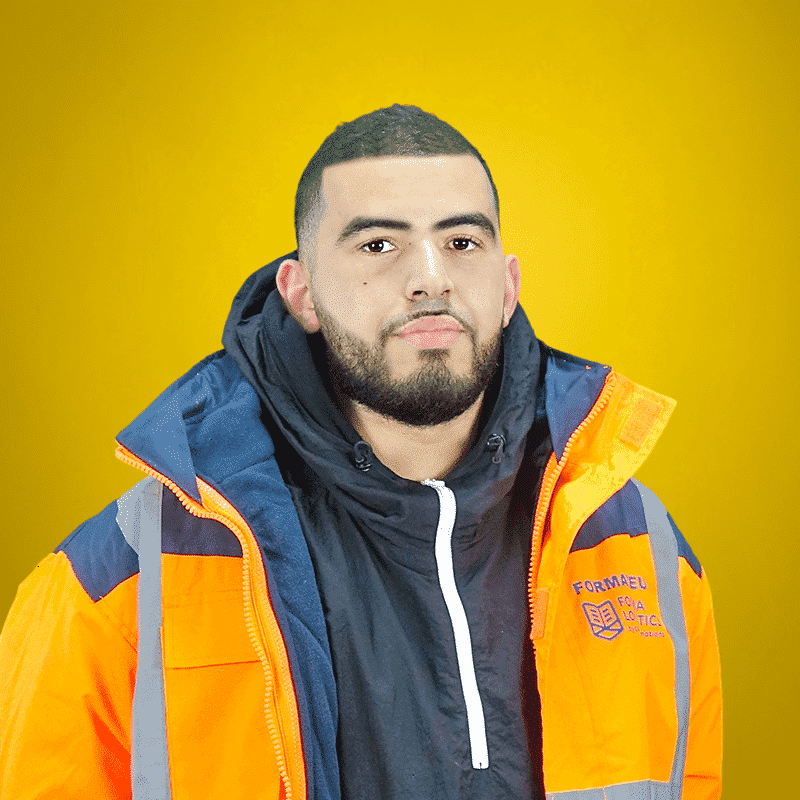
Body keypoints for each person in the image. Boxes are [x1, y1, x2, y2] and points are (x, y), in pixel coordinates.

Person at [0, 105, 722, 799]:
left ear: (508, 288)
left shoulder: (637, 547)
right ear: (302, 294)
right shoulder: (121, 579)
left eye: (462, 242)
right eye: (379, 245)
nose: (430, 276)